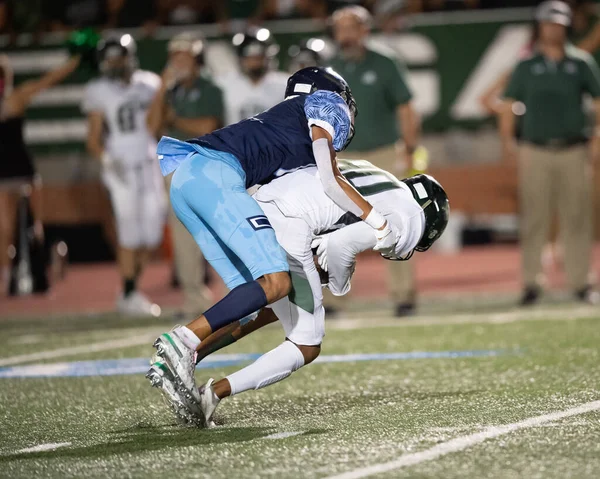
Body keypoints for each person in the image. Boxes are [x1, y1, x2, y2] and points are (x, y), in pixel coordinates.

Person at [150, 66, 402, 420]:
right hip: (215, 173)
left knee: (252, 300)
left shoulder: (284, 125)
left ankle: (183, 362)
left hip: (188, 179)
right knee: (276, 282)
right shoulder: (326, 103)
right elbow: (331, 180)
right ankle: (183, 341)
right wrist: (378, 222)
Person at [148, 159, 450, 426]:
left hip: (259, 203)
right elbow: (339, 245)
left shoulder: (377, 174)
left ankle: (186, 356)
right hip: (289, 222)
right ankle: (211, 394)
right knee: (307, 343)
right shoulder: (412, 219)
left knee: (265, 307)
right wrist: (340, 284)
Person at [500, 0, 600, 306]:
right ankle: (532, 283)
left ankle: (581, 282)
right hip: (536, 149)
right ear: (539, 26)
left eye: (557, 23)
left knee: (577, 217)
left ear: (566, 26)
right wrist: (508, 141)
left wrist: (597, 140)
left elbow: (597, 103)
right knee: (534, 217)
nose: (552, 28)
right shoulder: (526, 65)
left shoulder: (581, 62)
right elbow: (508, 104)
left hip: (574, 148)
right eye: (547, 23)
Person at [329, 5, 421, 317]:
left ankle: (403, 293)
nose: (345, 35)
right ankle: (334, 298)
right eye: (340, 29)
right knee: (333, 227)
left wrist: (409, 148)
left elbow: (406, 107)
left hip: (382, 153)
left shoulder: (384, 62)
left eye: (350, 27)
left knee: (395, 221)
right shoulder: (330, 66)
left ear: (365, 29)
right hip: (343, 157)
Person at [82, 34, 166, 316]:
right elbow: (93, 138)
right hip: (120, 165)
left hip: (149, 159)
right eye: (111, 58)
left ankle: (129, 288)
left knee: (152, 234)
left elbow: (157, 124)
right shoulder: (98, 89)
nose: (116, 63)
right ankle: (129, 292)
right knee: (129, 233)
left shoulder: (150, 83)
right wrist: (107, 160)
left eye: (120, 56)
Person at [147, 32, 224, 319]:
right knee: (183, 235)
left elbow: (207, 125)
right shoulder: (168, 92)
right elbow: (153, 127)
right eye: (175, 57)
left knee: (222, 230)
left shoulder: (211, 89)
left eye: (185, 57)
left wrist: (175, 120)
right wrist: (160, 90)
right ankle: (194, 298)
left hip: (207, 164)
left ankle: (238, 295)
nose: (179, 63)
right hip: (175, 166)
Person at [0, 53, 81, 294]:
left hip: (24, 170)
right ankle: (7, 282)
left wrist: (73, 62)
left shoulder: (17, 97)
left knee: (35, 226)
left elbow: (49, 80)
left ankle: (42, 273)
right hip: (3, 175)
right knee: (5, 232)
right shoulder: (15, 97)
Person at [216, 27, 288, 126]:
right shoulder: (224, 84)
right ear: (241, 59)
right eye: (250, 58)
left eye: (258, 57)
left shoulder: (285, 84)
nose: (255, 62)